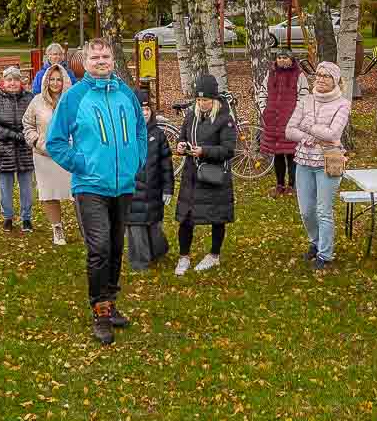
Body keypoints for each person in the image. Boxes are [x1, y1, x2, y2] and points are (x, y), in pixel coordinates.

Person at [46, 38, 147, 343]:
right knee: (99, 247)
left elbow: (141, 130)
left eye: (105, 56)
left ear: (113, 59)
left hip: (123, 184)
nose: (101, 61)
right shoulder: (74, 97)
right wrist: (82, 163)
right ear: (84, 62)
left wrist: (136, 160)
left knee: (116, 246)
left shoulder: (126, 94)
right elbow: (56, 141)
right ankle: (99, 310)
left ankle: (111, 302)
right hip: (90, 185)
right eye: (95, 57)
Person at [290, 60, 352, 268]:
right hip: (303, 160)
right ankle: (315, 242)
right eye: (319, 74)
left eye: (327, 76)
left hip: (331, 158)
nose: (321, 79)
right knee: (306, 210)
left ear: (335, 80)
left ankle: (325, 254)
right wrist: (313, 137)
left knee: (323, 210)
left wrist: (307, 126)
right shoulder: (305, 100)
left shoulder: (343, 104)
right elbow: (290, 130)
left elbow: (334, 134)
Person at [173, 73, 236, 277]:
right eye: (198, 100)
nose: (202, 103)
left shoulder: (225, 119)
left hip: (214, 174)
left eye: (205, 100)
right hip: (192, 174)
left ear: (214, 99)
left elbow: (228, 150)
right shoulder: (191, 115)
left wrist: (204, 151)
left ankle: (214, 255)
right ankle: (184, 256)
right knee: (186, 217)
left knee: (217, 216)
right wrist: (181, 146)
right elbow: (183, 136)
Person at [0, 66, 37, 231]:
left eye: (16, 80)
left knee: (26, 185)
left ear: (21, 82)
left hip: (25, 149)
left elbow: (35, 121)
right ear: (4, 81)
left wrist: (28, 135)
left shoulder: (30, 98)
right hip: (2, 150)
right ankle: (8, 217)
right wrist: (10, 134)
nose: (13, 83)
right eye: (9, 80)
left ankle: (26, 218)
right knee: (5, 186)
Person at [27, 63, 77, 246]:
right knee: (49, 194)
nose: (55, 83)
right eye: (52, 79)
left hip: (69, 155)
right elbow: (28, 125)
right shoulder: (37, 101)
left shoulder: (72, 101)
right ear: (46, 80)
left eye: (59, 79)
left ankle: (86, 226)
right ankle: (57, 228)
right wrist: (36, 142)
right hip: (44, 156)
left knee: (78, 192)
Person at [125, 88, 174, 270]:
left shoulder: (158, 135)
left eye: (146, 109)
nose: (144, 113)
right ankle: (139, 262)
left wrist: (168, 188)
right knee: (136, 227)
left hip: (154, 190)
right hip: (132, 190)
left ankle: (157, 252)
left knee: (154, 227)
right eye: (140, 110)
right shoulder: (125, 135)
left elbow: (166, 165)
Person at [262, 47, 302, 197]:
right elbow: (262, 92)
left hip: (291, 122)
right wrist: (264, 109)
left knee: (291, 154)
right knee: (277, 154)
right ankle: (279, 184)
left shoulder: (299, 75)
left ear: (291, 60)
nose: (282, 60)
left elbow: (303, 95)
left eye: (285, 57)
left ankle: (292, 185)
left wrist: (296, 115)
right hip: (273, 120)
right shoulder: (270, 74)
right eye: (279, 58)